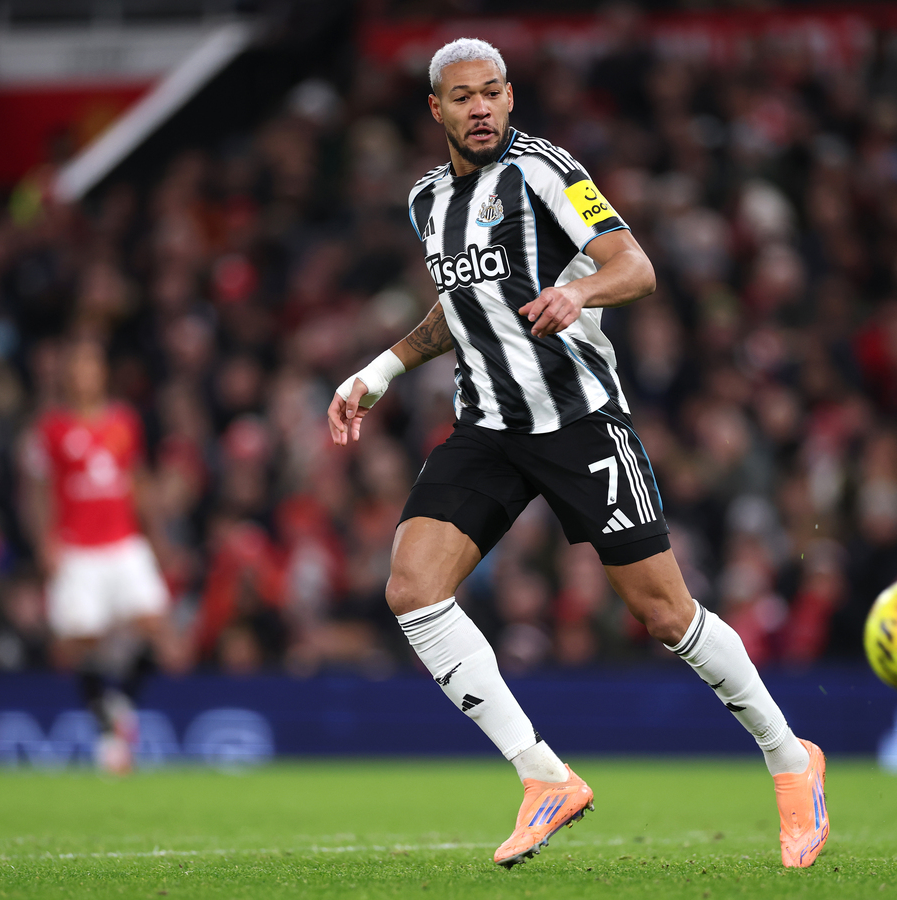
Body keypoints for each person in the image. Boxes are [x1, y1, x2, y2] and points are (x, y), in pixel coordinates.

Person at [328, 38, 829, 869]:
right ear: (436, 109)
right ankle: (543, 777)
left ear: (510, 97)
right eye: (463, 97)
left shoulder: (546, 171)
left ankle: (790, 758)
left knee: (665, 615)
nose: (480, 108)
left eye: (493, 92)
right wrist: (379, 370)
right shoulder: (425, 200)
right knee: (412, 588)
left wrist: (580, 290)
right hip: (488, 427)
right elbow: (461, 306)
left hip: (578, 422)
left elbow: (636, 266)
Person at [21, 336, 172, 774]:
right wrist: (44, 541)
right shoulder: (50, 429)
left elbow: (138, 481)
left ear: (102, 373)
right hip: (77, 549)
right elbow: (38, 491)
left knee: (157, 626)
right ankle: (108, 727)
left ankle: (117, 703)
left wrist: (158, 539)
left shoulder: (124, 421)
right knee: (78, 642)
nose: (85, 374)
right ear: (68, 375)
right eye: (78, 366)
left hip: (123, 542)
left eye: (92, 365)